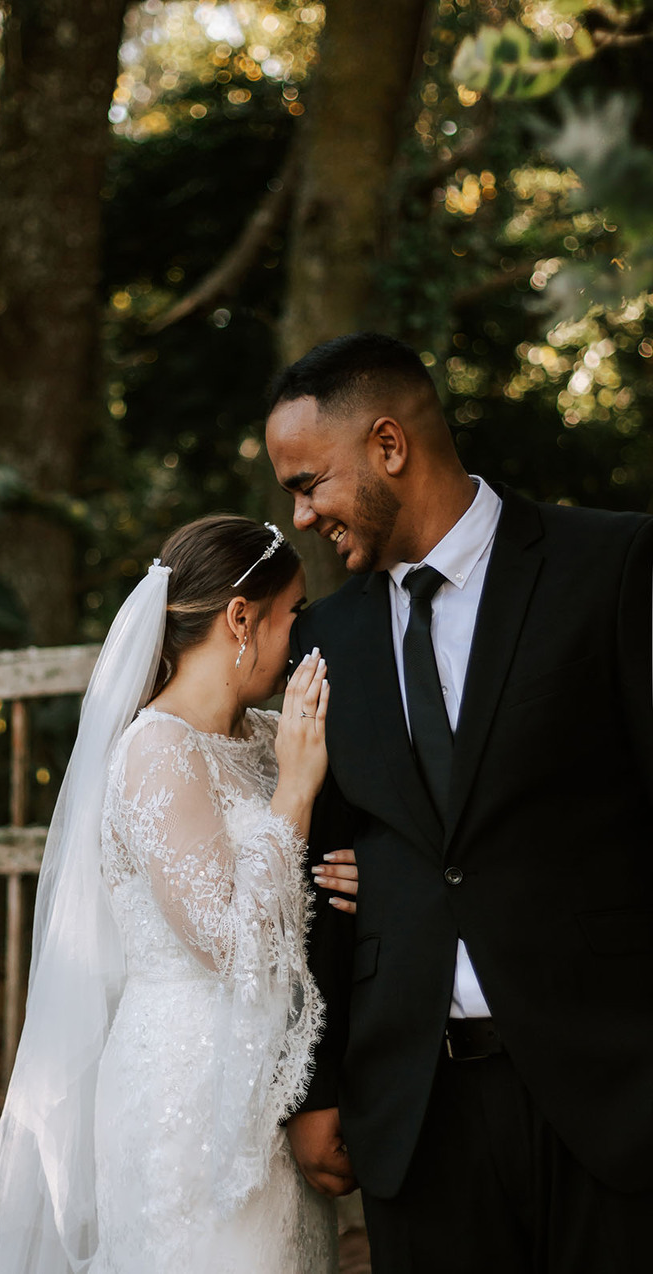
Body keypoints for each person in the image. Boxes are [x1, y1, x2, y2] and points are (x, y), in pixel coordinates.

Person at [265, 331, 653, 1274]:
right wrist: (314, 1089)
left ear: (389, 446)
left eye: (309, 483)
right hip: (416, 1111)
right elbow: (320, 863)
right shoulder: (327, 638)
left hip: (612, 1091)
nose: (304, 517)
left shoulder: (612, 565)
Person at [0, 515, 359, 1274]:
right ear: (240, 618)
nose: (301, 640)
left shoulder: (265, 737)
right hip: (190, 1091)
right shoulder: (156, 749)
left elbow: (303, 900)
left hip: (276, 1079)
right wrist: (297, 792)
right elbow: (234, 945)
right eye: (292, 615)